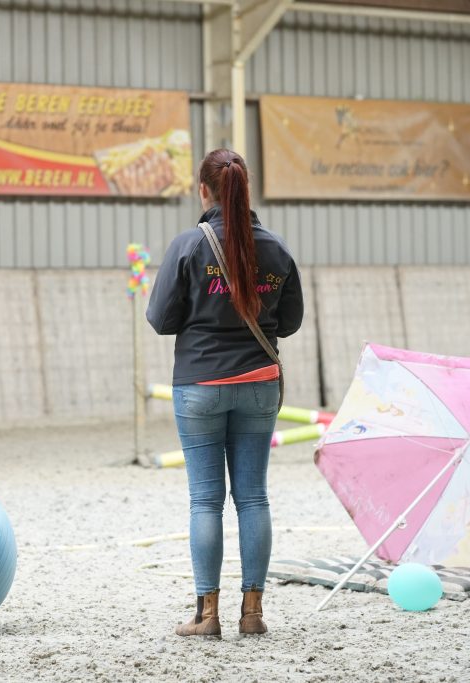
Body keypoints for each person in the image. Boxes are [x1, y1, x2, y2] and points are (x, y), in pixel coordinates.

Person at [146, 148, 304, 638]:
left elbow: (160, 319)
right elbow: (292, 322)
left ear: (204, 190)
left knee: (205, 501)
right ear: (245, 190)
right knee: (254, 498)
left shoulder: (189, 246)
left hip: (200, 386)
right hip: (258, 383)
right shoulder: (276, 250)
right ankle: (252, 612)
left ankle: (206, 616)